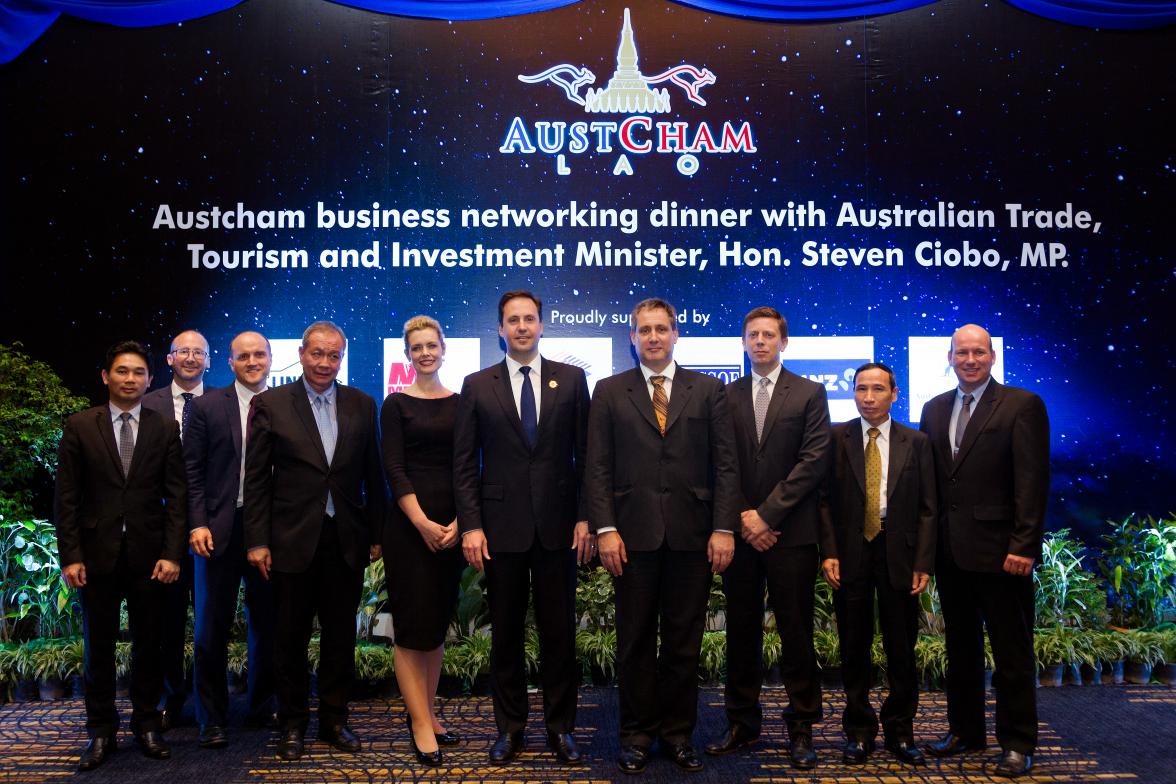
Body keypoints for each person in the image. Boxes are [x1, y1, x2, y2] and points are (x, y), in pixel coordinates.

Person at [586, 297, 739, 775]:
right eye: (644, 330)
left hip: (693, 539)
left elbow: (726, 465)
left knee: (683, 644)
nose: (653, 337)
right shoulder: (609, 392)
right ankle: (634, 735)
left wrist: (722, 527)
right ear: (632, 338)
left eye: (661, 329)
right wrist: (605, 529)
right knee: (633, 642)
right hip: (629, 540)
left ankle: (677, 735)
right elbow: (596, 466)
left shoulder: (710, 390)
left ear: (676, 335)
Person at [453, 291, 593, 765]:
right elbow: (465, 465)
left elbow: (589, 457)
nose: (521, 327)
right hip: (500, 532)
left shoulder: (572, 380)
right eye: (512, 321)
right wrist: (471, 525)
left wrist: (584, 516)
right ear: (499, 329)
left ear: (541, 325)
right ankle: (509, 729)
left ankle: (561, 729)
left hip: (558, 529)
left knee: (559, 635)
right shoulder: (477, 384)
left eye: (529, 319)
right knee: (507, 635)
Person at [243, 320, 386, 761]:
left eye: (334, 355)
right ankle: (291, 724)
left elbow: (372, 476)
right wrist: (257, 540)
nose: (325, 362)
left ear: (342, 357)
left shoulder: (362, 404)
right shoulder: (271, 403)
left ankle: (334, 720)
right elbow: (257, 480)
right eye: (317, 353)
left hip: (344, 539)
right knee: (289, 638)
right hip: (289, 541)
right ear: (302, 354)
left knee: (340, 638)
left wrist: (377, 535)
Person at [919, 324, 1049, 778]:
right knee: (961, 649)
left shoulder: (1021, 405)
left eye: (978, 352)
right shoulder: (933, 410)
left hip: (1003, 555)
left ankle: (1017, 742)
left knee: (1012, 653)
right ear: (949, 357)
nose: (969, 359)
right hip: (951, 554)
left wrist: (1024, 544)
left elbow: (1032, 482)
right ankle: (965, 731)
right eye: (961, 353)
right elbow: (933, 487)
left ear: (992, 356)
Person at [705, 306, 831, 769]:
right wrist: (744, 517)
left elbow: (813, 462)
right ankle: (741, 723)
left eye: (769, 335)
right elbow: (721, 462)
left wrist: (766, 515)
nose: (760, 341)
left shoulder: (810, 393)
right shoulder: (724, 395)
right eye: (752, 335)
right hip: (740, 535)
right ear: (742, 342)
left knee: (797, 633)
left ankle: (801, 727)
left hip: (790, 535)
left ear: (784, 342)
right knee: (741, 632)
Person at [54, 341, 186, 770]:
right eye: (122, 371)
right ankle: (100, 731)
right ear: (105, 376)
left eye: (138, 373)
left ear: (150, 379)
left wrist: (172, 553)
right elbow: (67, 499)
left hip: (150, 558)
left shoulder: (163, 427)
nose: (130, 379)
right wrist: (71, 555)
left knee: (151, 645)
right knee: (99, 649)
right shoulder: (79, 426)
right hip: (95, 558)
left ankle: (146, 724)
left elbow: (177, 496)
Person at [819, 362, 936, 766]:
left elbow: (928, 508)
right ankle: (858, 732)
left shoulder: (917, 442)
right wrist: (829, 551)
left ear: (894, 394)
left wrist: (924, 560)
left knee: (901, 646)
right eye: (861, 389)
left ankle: (901, 732)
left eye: (877, 389)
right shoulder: (836, 438)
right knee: (854, 645)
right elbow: (823, 502)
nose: (868, 397)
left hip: (899, 551)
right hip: (851, 551)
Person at [182, 331, 277, 750]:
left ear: (271, 358)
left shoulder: (284, 405)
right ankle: (212, 718)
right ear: (230, 362)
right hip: (215, 532)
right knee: (209, 630)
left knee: (268, 626)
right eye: (244, 356)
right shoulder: (204, 407)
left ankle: (263, 707)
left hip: (269, 533)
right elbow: (191, 472)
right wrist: (197, 522)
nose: (252, 361)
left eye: (259, 354)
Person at [381, 316, 466, 766]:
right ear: (408, 354)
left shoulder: (461, 402)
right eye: (417, 347)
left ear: (443, 348)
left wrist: (458, 521)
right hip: (409, 532)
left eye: (432, 345)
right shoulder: (395, 405)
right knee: (412, 629)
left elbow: (468, 468)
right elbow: (394, 469)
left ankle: (429, 714)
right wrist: (422, 522)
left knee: (434, 628)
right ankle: (417, 723)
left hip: (452, 530)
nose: (425, 353)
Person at [142, 328, 210, 729]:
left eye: (198, 352)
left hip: (207, 530)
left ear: (208, 360)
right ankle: (170, 697)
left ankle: (208, 703)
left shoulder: (222, 403)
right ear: (169, 359)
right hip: (161, 532)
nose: (190, 358)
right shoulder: (145, 404)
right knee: (166, 622)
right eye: (182, 351)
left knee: (208, 622)